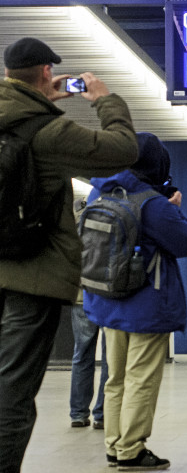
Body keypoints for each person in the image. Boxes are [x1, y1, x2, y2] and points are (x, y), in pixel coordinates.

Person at [0, 37, 138, 473]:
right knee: (12, 394)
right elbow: (121, 149)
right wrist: (105, 99)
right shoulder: (45, 130)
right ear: (46, 73)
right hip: (30, 276)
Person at [84, 132, 187, 470]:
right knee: (141, 378)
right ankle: (131, 450)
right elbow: (186, 242)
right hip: (146, 304)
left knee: (114, 377)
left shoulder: (98, 191)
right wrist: (174, 209)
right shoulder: (153, 204)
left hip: (107, 301)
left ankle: (114, 444)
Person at [69, 198, 108, 430]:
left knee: (81, 354)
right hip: (108, 295)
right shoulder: (117, 213)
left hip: (81, 295)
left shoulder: (76, 219)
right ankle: (102, 414)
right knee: (109, 358)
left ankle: (78, 413)